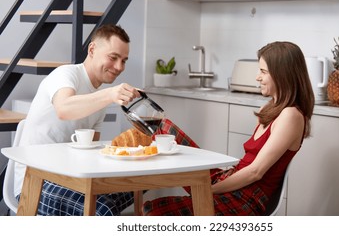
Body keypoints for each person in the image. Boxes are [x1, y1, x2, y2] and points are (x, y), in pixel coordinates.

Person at [143, 41, 315, 216]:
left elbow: (255, 172)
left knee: (154, 210)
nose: (257, 77)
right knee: (164, 128)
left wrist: (208, 190)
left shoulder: (291, 116)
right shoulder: (268, 109)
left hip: (245, 199)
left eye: (263, 71)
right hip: (232, 179)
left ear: (282, 75)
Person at [14, 24, 141, 216]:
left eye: (123, 60)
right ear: (92, 50)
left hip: (71, 178)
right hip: (35, 181)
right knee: (103, 210)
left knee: (139, 185)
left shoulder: (99, 99)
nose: (119, 67)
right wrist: (110, 95)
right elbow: (63, 109)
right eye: (113, 58)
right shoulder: (66, 74)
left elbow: (90, 154)